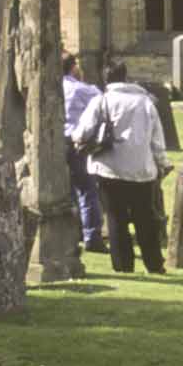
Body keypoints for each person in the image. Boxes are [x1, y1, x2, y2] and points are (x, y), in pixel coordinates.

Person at [72, 59, 167, 274]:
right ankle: (154, 264)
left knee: (116, 219)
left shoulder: (101, 101)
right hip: (142, 170)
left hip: (109, 169)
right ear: (125, 77)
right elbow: (157, 139)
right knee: (146, 218)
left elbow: (81, 132)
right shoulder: (145, 102)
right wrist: (162, 163)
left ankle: (124, 266)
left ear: (106, 78)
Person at [59, 55, 110, 252]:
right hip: (76, 143)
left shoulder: (53, 87)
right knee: (87, 189)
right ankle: (91, 237)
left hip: (54, 142)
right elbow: (102, 102)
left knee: (66, 190)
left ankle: (73, 233)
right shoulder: (82, 89)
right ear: (73, 68)